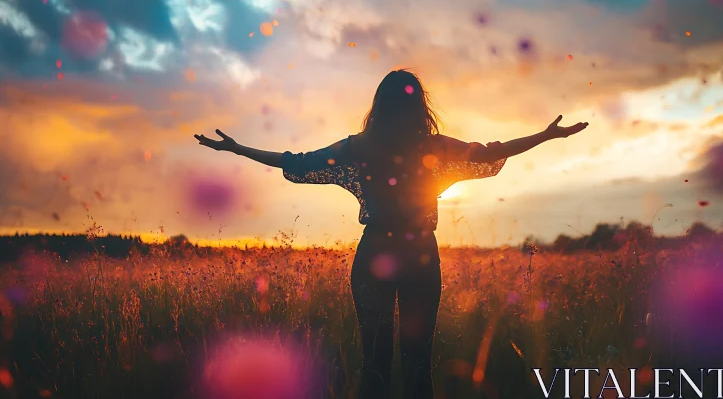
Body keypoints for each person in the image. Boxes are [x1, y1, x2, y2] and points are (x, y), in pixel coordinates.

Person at [194, 70, 588, 399]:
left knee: (375, 361)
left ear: (378, 105)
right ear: (420, 106)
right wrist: (545, 136)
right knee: (418, 358)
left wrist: (240, 149)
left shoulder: (359, 147)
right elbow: (488, 152)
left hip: (375, 252)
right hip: (419, 254)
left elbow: (297, 162)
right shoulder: (432, 146)